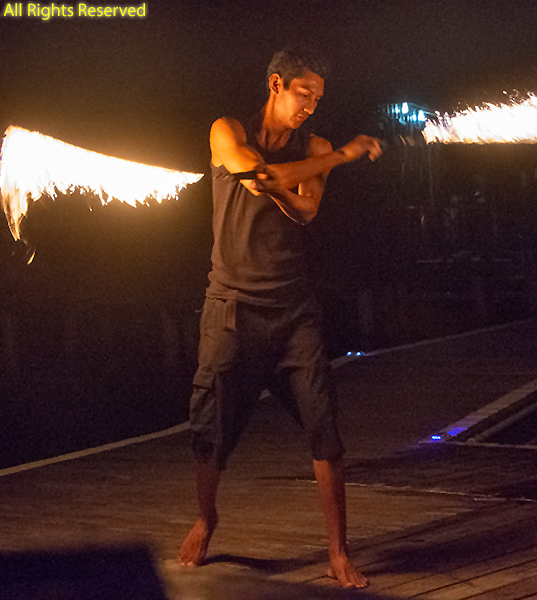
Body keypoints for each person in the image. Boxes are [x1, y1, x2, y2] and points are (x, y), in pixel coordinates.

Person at [177, 48, 382, 589]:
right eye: (303, 93)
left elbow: (306, 209)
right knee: (209, 428)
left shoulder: (313, 146)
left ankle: (338, 552)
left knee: (325, 429)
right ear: (275, 84)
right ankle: (206, 519)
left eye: (318, 98)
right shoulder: (227, 130)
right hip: (231, 307)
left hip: (295, 312)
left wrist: (279, 181)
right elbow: (259, 176)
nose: (310, 107)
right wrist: (341, 157)